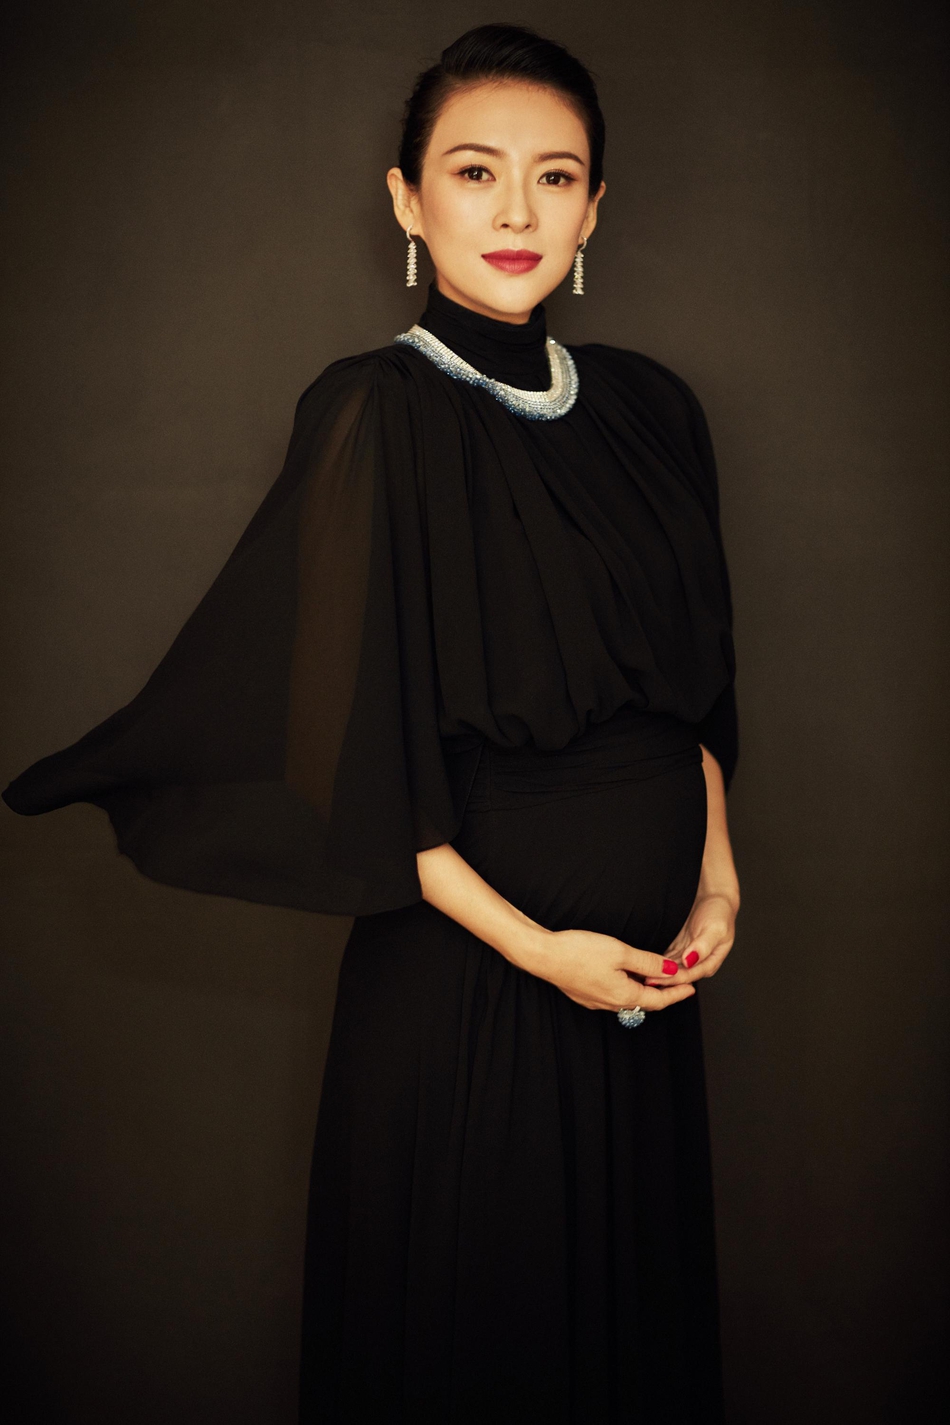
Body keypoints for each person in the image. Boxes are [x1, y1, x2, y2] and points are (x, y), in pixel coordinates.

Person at [2, 23, 740, 1425]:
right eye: (474, 171)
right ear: (406, 199)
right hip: (477, 984)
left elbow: (697, 688)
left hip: (645, 991)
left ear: (595, 209)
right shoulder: (372, 412)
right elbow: (354, 758)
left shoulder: (656, 412)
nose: (516, 210)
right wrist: (542, 952)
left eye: (554, 176)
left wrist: (717, 880)